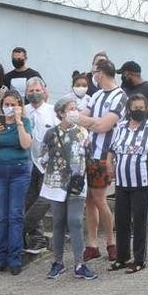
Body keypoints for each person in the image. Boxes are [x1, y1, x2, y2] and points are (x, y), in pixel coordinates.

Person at [38, 96, 97, 280]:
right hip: (55, 183)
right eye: (70, 109)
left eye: (75, 108)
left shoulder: (83, 132)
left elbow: (88, 156)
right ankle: (58, 262)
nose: (74, 112)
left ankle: (80, 263)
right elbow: (42, 157)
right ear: (61, 112)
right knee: (58, 222)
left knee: (76, 221)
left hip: (77, 183)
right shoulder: (50, 133)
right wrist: (53, 169)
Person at [108, 93, 148, 273]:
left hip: (141, 181)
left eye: (142, 108)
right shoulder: (121, 127)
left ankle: (139, 259)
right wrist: (108, 163)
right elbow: (112, 148)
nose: (138, 111)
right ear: (128, 109)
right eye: (135, 108)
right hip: (122, 182)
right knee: (122, 221)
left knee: (139, 222)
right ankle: (122, 258)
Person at [76, 58, 123, 262]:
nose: (93, 75)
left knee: (99, 199)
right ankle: (92, 244)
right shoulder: (96, 95)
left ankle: (111, 242)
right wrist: (95, 122)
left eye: (94, 72)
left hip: (104, 156)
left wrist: (93, 123)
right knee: (89, 201)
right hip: (88, 153)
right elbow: (79, 119)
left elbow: (105, 126)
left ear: (100, 73)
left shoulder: (120, 97)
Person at [0, 89, 34, 275]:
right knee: (2, 216)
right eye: (7, 105)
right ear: (2, 106)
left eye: (13, 105)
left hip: (19, 171)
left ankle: (14, 258)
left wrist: (19, 122)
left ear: (19, 106)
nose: (10, 108)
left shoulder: (25, 122)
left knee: (15, 215)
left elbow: (26, 145)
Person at [22, 77, 58, 254]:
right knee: (29, 200)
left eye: (37, 90)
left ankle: (23, 228)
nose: (34, 93)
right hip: (27, 163)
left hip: (48, 164)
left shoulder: (53, 112)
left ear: (44, 91)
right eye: (31, 91)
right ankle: (37, 239)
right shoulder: (23, 111)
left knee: (44, 200)